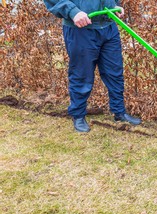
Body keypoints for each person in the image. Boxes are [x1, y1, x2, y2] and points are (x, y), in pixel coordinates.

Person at [43, 0, 141, 132]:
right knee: (82, 75)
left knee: (115, 73)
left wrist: (113, 5)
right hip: (81, 29)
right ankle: (78, 115)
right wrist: (73, 11)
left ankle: (119, 112)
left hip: (108, 27)